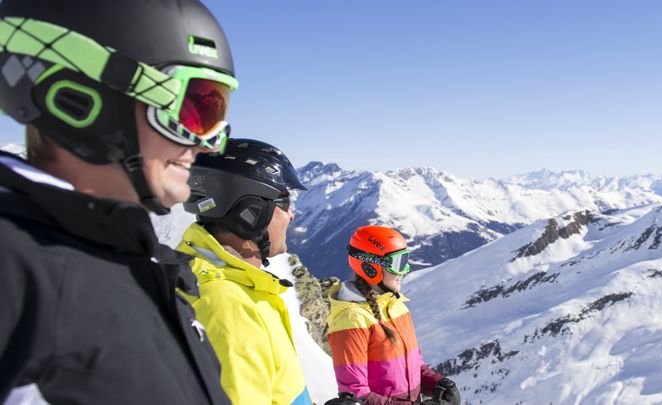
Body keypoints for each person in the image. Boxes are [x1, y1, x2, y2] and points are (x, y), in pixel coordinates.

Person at [0, 0, 238, 403]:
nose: (207, 143)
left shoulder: (139, 262)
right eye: (192, 108)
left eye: (214, 111)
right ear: (79, 100)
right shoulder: (14, 270)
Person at [177, 138, 313, 405]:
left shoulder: (236, 285)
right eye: (284, 202)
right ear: (251, 210)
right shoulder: (227, 306)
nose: (291, 215)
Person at [324, 226, 461, 405]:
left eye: (406, 260)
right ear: (370, 267)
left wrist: (436, 384)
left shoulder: (397, 308)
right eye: (398, 263)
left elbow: (414, 366)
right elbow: (356, 395)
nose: (404, 271)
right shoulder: (351, 320)